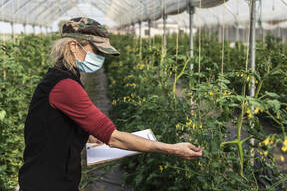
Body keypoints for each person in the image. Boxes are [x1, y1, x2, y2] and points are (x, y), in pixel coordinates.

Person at [18, 17, 202, 191]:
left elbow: (54, 125)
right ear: (74, 46)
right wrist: (172, 149)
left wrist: (87, 135)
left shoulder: (63, 77)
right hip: (47, 183)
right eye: (96, 51)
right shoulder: (65, 86)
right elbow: (114, 138)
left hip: (47, 178)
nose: (100, 58)